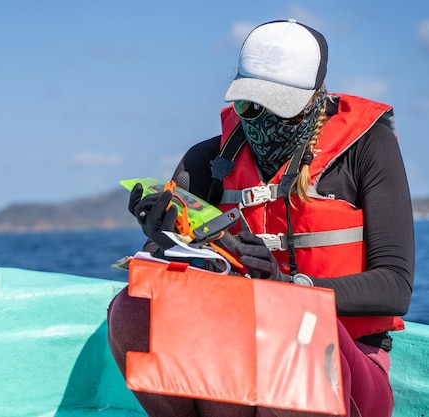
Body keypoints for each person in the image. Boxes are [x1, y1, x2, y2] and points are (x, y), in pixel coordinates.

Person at [107, 19, 414, 417]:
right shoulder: (207, 159)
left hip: (342, 362)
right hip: (240, 356)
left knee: (295, 327)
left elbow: (395, 286)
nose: (261, 117)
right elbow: (164, 280)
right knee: (131, 307)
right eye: (250, 105)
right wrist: (162, 242)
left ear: (313, 98)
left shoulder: (368, 148)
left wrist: (287, 288)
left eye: (278, 107)